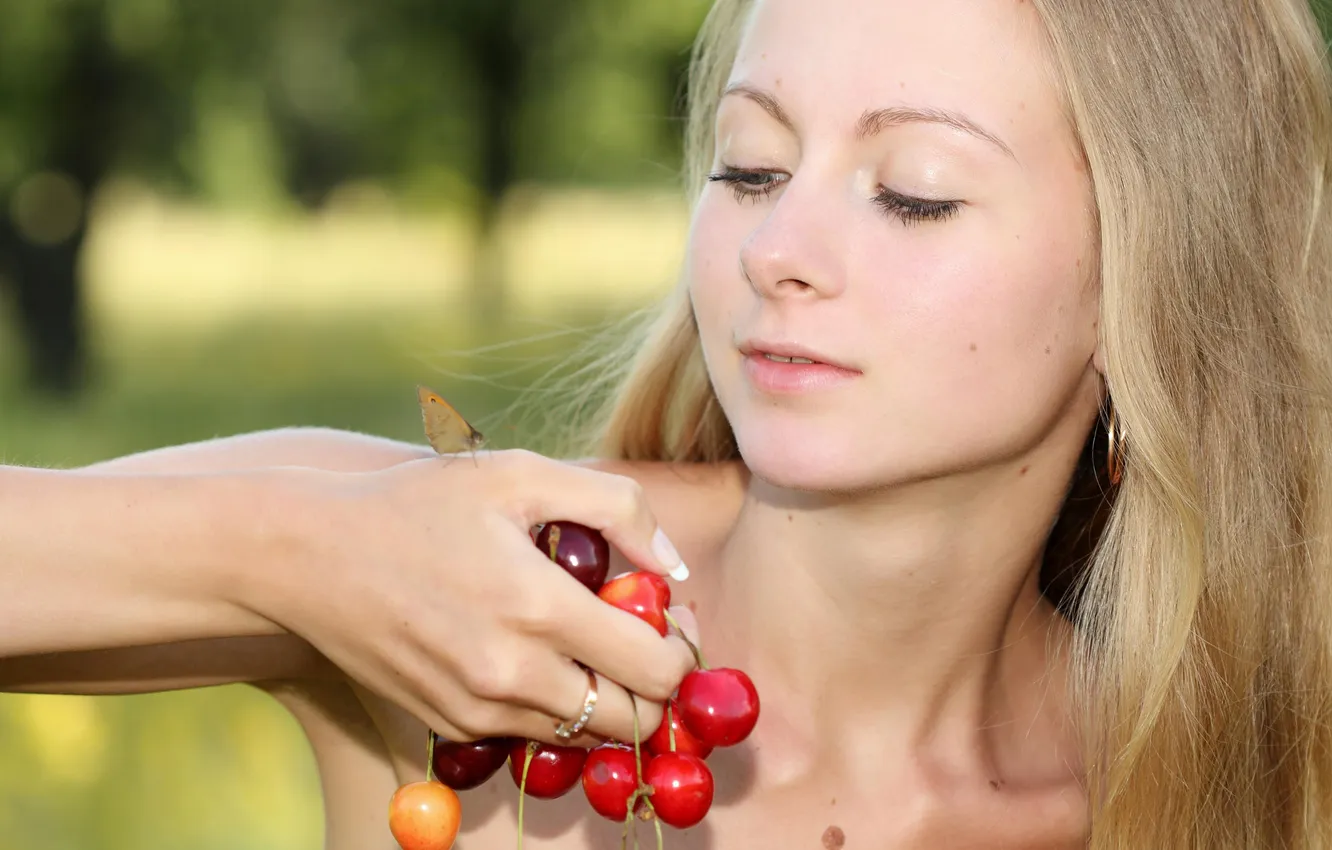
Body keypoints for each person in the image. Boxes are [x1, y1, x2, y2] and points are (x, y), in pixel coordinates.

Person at [6, 0, 1332, 846]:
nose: (778, 250)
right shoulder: (483, 590)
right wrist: (299, 558)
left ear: (1155, 275)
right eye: (750, 166)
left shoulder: (1235, 763)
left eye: (914, 191)